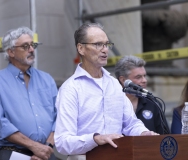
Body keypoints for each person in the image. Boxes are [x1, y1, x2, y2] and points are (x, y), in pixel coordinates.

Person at [54, 23, 158, 159]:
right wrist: (95, 139)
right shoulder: (70, 89)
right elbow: (62, 142)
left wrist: (144, 133)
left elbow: (130, 124)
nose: (105, 50)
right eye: (98, 44)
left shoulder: (114, 84)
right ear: (81, 48)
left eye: (107, 44)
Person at [0, 27, 57, 160]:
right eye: (25, 46)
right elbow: (0, 124)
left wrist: (46, 146)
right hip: (14, 154)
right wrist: (34, 146)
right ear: (11, 52)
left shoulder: (47, 79)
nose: (31, 50)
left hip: (46, 152)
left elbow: (59, 116)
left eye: (33, 45)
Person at [114, 55, 169, 134]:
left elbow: (164, 137)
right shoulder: (111, 103)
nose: (144, 80)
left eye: (144, 76)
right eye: (138, 77)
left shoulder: (153, 103)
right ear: (123, 80)